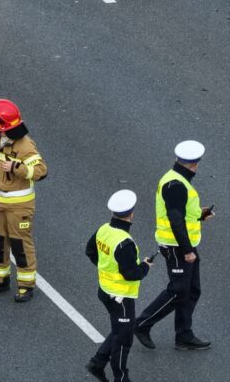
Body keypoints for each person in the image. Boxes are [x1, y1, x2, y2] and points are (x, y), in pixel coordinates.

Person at [134, 140, 215, 351]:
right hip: (177, 246)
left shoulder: (176, 179)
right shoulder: (176, 185)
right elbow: (175, 218)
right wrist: (187, 250)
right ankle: (142, 324)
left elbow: (182, 212)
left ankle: (184, 336)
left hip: (183, 243)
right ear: (195, 164)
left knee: (192, 290)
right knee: (179, 290)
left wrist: (200, 214)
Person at [0, 98, 47, 302]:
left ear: (2, 125)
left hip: (19, 207)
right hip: (0, 204)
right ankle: (0, 280)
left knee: (20, 246)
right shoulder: (2, 141)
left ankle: (26, 285)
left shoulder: (25, 146)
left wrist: (16, 168)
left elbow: (41, 171)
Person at [85, 190, 153, 382]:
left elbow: (90, 251)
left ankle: (97, 363)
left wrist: (105, 267)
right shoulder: (125, 243)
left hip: (105, 290)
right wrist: (145, 267)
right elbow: (131, 274)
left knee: (121, 329)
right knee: (124, 339)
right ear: (131, 213)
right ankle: (121, 378)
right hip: (121, 297)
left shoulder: (104, 229)